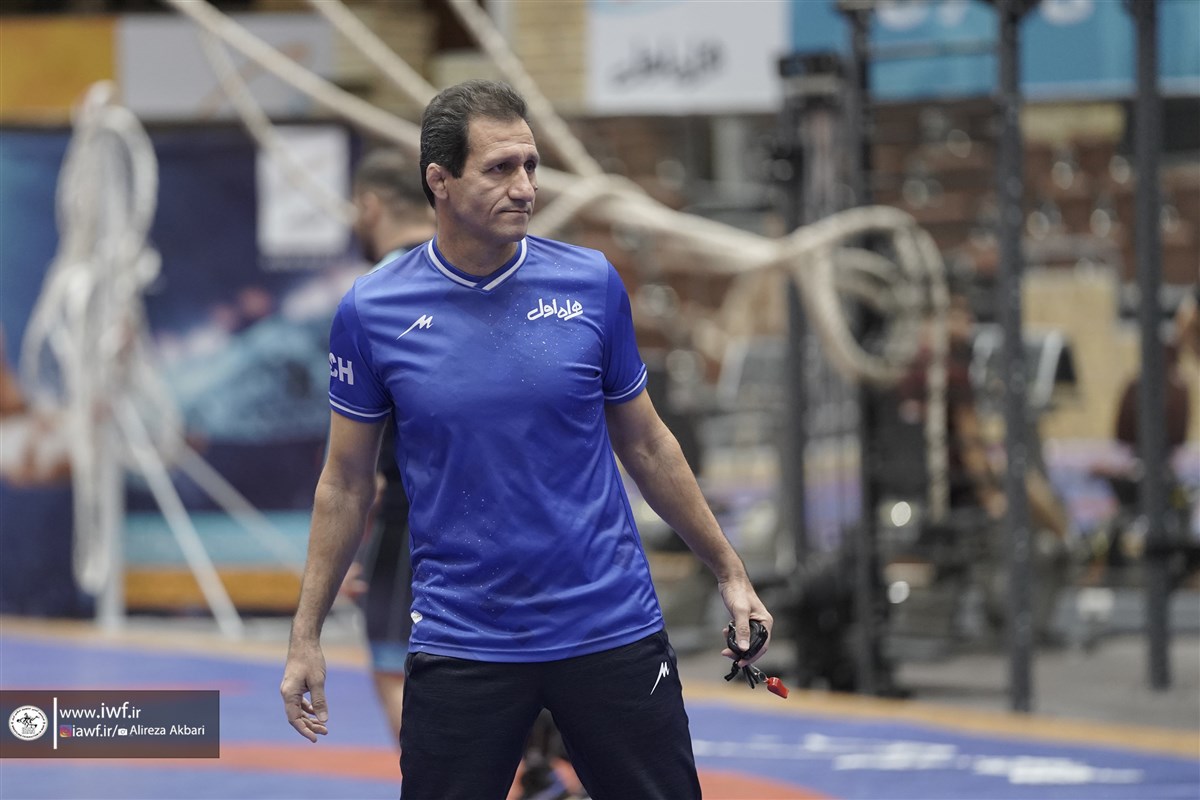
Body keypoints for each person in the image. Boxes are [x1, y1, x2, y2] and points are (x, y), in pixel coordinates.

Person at [280, 79, 773, 799]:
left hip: (610, 627)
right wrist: (306, 635)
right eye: (500, 168)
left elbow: (648, 445)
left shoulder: (591, 284)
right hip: (463, 640)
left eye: (531, 165)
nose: (524, 187)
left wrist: (729, 570)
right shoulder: (373, 311)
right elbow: (347, 482)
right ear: (440, 181)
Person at [336, 147, 436, 744]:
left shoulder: (376, 295)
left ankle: (445, 784)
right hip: (512, 513)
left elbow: (358, 459)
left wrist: (353, 546)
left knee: (394, 668)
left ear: (370, 207)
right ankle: (540, 777)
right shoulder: (480, 274)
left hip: (414, 519)